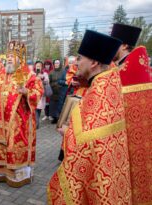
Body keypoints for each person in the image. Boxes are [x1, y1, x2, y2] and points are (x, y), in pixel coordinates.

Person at [47, 30, 131, 204]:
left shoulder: (98, 94)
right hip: (109, 173)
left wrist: (67, 132)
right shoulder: (109, 84)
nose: (76, 63)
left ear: (93, 62)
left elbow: (89, 141)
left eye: (80, 58)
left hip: (98, 176)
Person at [0, 41, 43, 187]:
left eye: (13, 56)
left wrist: (27, 92)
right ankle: (0, 172)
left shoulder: (28, 76)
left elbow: (38, 92)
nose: (9, 58)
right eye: (8, 56)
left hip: (19, 122)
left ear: (20, 59)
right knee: (0, 146)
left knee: (13, 145)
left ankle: (18, 175)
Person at [111, 23, 152, 205]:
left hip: (133, 137)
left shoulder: (132, 70)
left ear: (125, 45)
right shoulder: (121, 66)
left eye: (115, 43)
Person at [48, 59, 63, 124]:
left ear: (60, 64)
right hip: (53, 92)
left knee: (59, 105)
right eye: (55, 63)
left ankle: (59, 118)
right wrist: (55, 84)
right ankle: (54, 118)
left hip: (61, 91)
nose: (56, 64)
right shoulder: (51, 72)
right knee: (53, 106)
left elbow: (65, 80)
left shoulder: (63, 72)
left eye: (57, 63)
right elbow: (49, 82)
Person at [35, 61, 49, 129]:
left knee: (38, 109)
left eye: (39, 66)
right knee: (35, 109)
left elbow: (47, 81)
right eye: (37, 66)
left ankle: (36, 123)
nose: (38, 67)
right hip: (34, 94)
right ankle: (36, 124)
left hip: (41, 94)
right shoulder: (32, 73)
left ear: (42, 67)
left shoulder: (45, 74)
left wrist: (42, 78)